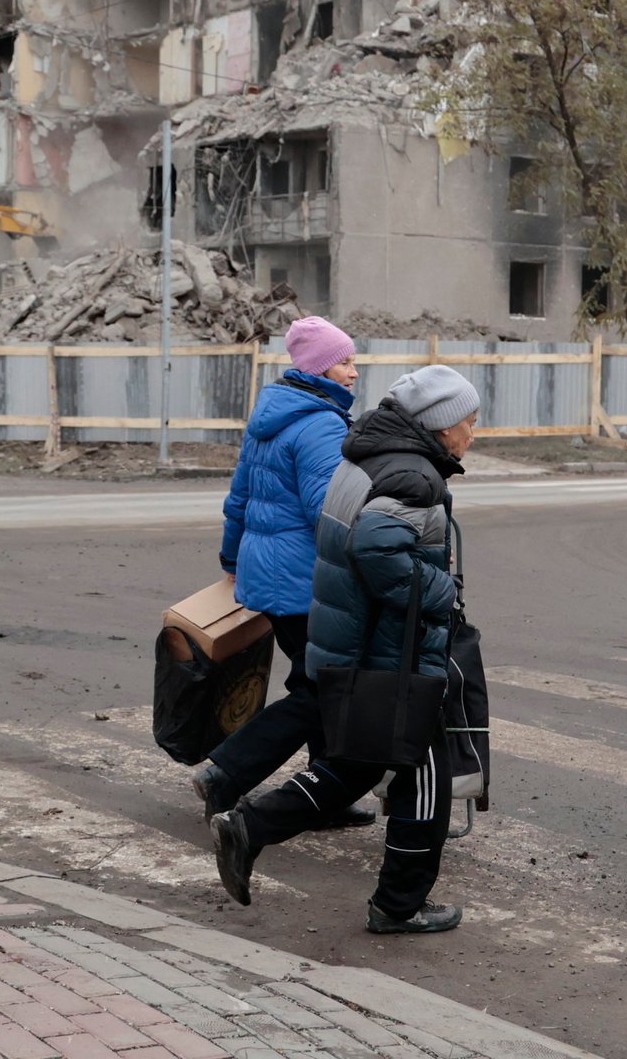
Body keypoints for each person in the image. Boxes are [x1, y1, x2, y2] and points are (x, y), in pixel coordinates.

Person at [210, 364, 481, 935]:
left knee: (356, 763)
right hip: (394, 653)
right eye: (468, 421)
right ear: (438, 426)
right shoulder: (414, 479)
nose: (473, 433)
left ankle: (250, 827)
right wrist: (443, 589)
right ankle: (398, 906)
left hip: (353, 642)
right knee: (424, 774)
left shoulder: (363, 457)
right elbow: (379, 552)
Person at [195, 317, 377, 829]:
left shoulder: (271, 415)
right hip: (307, 581)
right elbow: (330, 510)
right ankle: (226, 774)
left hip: (271, 577)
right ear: (318, 367)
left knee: (319, 681)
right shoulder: (320, 422)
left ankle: (324, 795)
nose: (354, 372)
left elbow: (239, 501)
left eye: (355, 361)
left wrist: (232, 561)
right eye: (345, 362)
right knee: (324, 690)